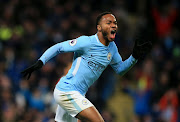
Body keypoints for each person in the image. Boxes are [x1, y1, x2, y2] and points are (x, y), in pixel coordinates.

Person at [21, 12, 152, 122]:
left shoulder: (112, 49)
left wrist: (134, 57)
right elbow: (59, 47)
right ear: (99, 27)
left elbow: (121, 70)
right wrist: (40, 62)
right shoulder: (86, 42)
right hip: (67, 91)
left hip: (77, 94)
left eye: (115, 23)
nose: (114, 25)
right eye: (109, 22)